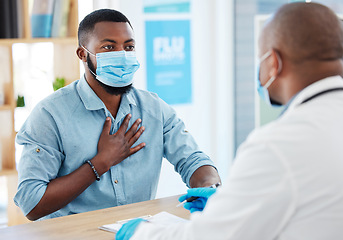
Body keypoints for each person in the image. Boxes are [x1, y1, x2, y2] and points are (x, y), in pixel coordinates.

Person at [116, 2, 343, 240]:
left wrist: (141, 234)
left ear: (273, 62)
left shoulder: (277, 145)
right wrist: (232, 201)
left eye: (260, 57)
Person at [14, 9, 221, 221]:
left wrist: (210, 188)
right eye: (109, 47)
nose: (122, 55)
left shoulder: (154, 108)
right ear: (82, 54)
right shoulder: (50, 114)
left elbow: (193, 160)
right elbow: (32, 204)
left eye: (129, 47)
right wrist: (99, 163)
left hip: (138, 231)